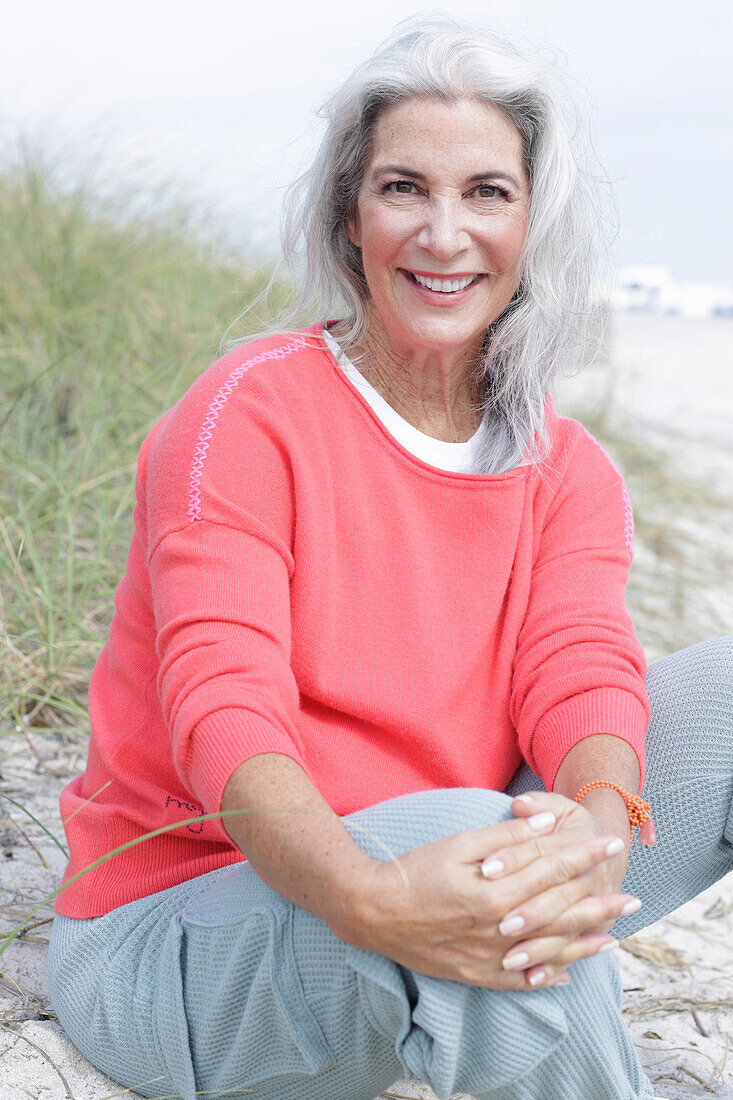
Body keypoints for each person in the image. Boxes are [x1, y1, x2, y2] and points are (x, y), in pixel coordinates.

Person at [47, 15, 733, 1100]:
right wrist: (365, 895)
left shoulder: (569, 465)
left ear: (532, 223)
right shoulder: (244, 417)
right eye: (404, 187)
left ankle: (506, 927)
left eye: (487, 194)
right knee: (487, 852)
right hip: (184, 927)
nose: (443, 234)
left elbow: (580, 663)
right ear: (349, 216)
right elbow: (222, 705)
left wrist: (596, 831)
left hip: (451, 862)